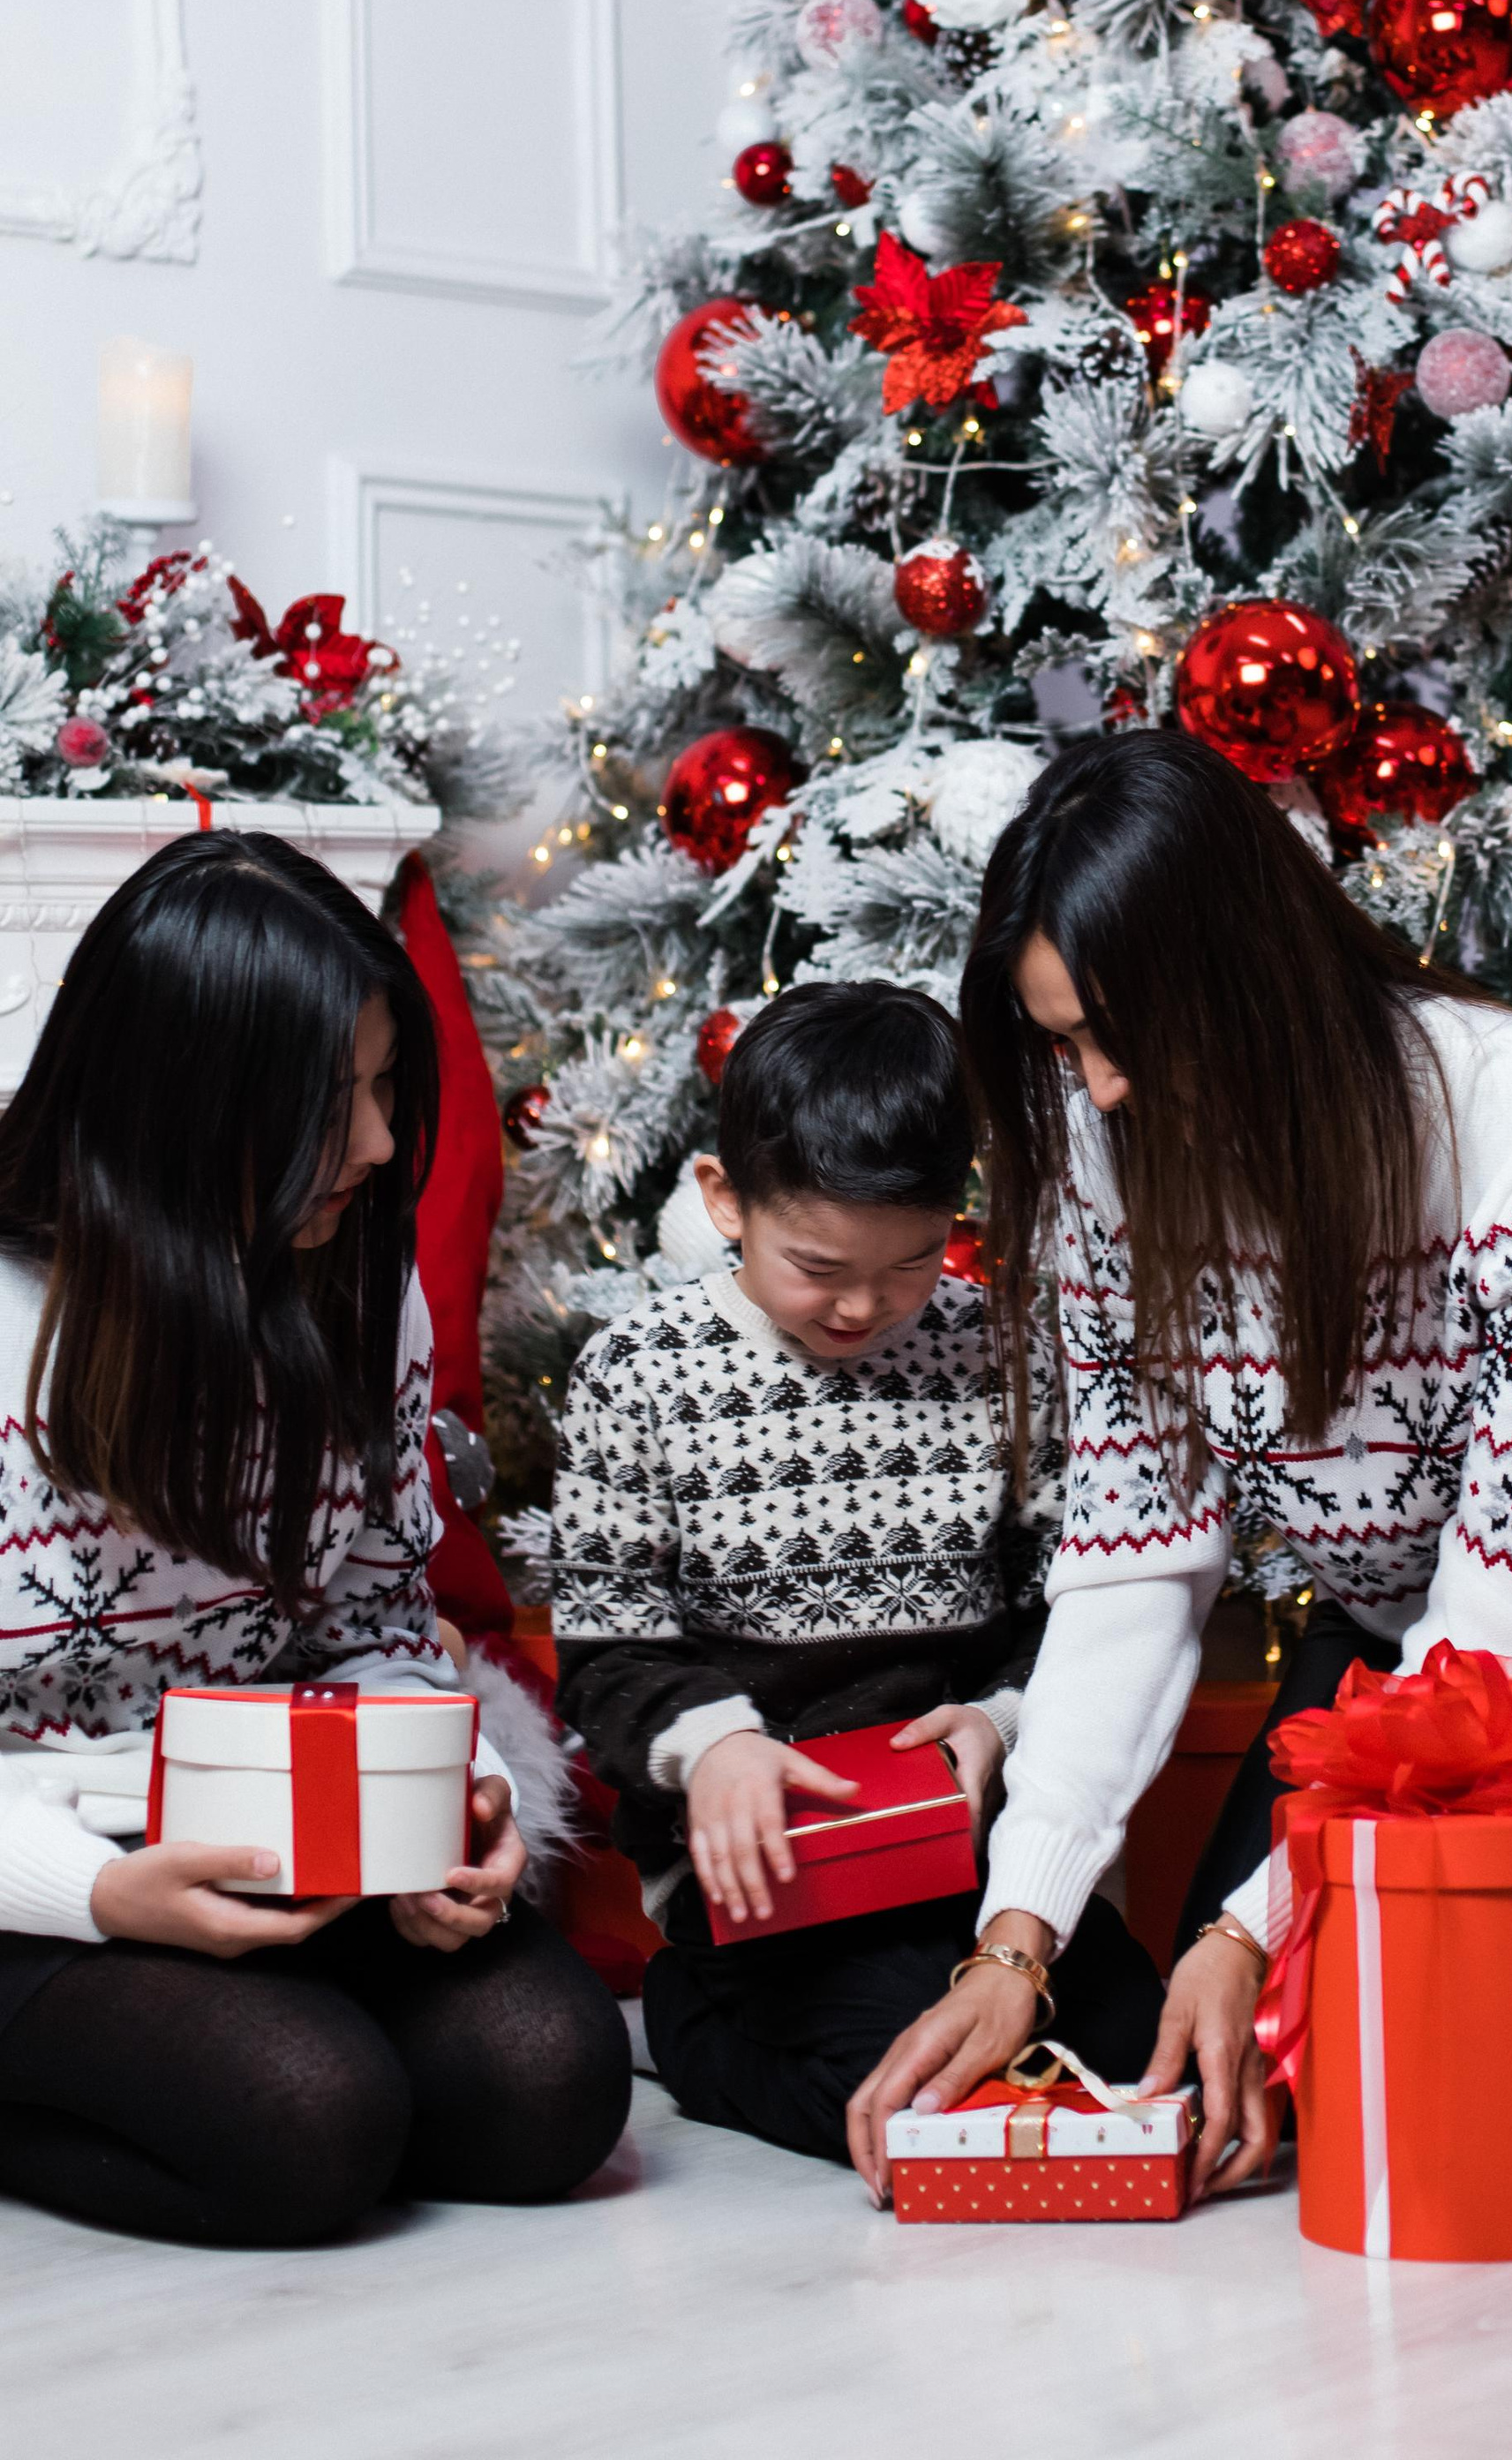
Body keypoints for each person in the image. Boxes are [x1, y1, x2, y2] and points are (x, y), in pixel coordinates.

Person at [846, 732, 1512, 2202]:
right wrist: (1015, 1937)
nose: (1102, 1090)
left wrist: (1252, 1926)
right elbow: (1133, 1561)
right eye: (1067, 1044)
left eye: (1124, 1037)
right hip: (1398, 1649)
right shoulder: (1111, 1143)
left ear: (1254, 983)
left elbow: (1511, 1624)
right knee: (1246, 2071)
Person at [0, 831, 631, 2246]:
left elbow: (380, 1628)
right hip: (34, 1866)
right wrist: (97, 1893)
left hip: (277, 1838)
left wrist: (453, 1801)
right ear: (179, 1105)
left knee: (551, 2086)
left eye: (384, 1087)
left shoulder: (346, 1275)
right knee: (307, 2122)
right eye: (326, 1104)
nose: (380, 1146)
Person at [553, 979, 1161, 2166]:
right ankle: (688, 2020)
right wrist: (714, 1748)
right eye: (818, 1265)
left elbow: (1067, 1609)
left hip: (965, 1854)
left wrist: (1000, 1720)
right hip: (764, 1874)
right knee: (913, 2082)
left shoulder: (1000, 1352)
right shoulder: (637, 1374)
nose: (865, 1305)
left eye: (913, 1262)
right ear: (724, 1200)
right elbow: (606, 1651)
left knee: (1129, 2053)